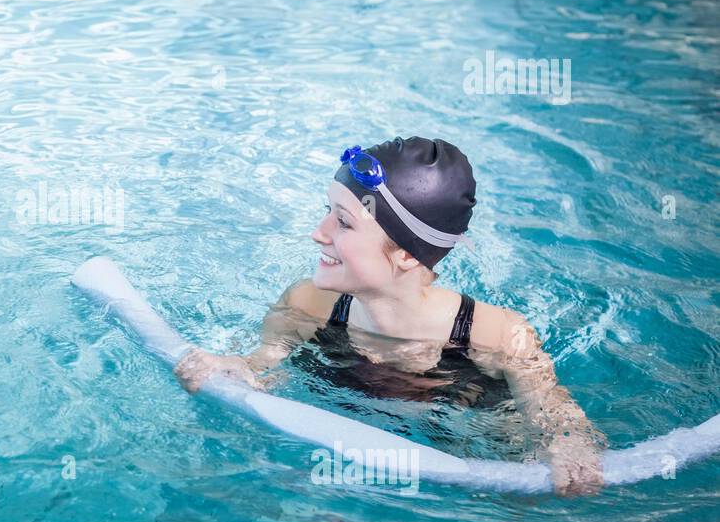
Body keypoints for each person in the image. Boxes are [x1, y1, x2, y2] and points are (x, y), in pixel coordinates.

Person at [173, 136, 606, 496]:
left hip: (463, 457)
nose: (318, 233)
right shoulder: (308, 305)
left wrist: (570, 445)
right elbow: (261, 366)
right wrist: (232, 367)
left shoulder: (496, 336)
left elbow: (553, 415)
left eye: (343, 222)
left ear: (406, 254)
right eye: (326, 211)